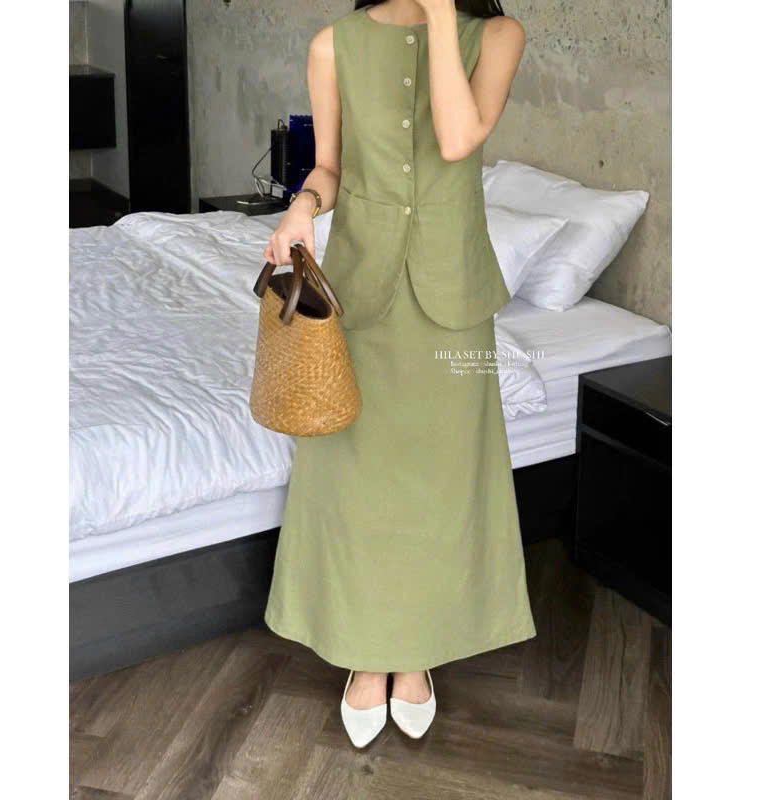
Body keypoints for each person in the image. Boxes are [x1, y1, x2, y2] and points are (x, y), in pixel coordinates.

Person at [261, 0, 536, 748]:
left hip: (453, 296)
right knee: (357, 479)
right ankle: (366, 651)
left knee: (442, 482)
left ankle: (415, 652)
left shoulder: (497, 36)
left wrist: (441, 15)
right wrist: (301, 208)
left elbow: (458, 137)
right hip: (363, 291)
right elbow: (330, 167)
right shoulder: (334, 45)